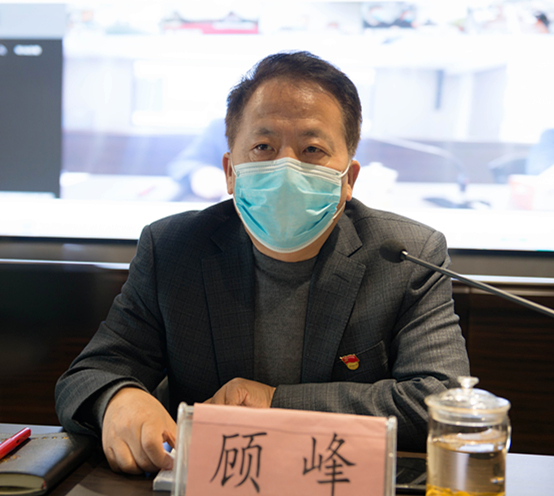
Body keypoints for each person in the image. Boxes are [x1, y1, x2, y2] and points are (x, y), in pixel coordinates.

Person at [55, 51, 469, 475]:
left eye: (312, 149)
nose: (286, 167)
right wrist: (118, 398)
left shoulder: (406, 256)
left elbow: (443, 402)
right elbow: (90, 374)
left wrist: (275, 403)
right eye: (263, 147)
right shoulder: (174, 249)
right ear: (230, 172)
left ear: (349, 179)